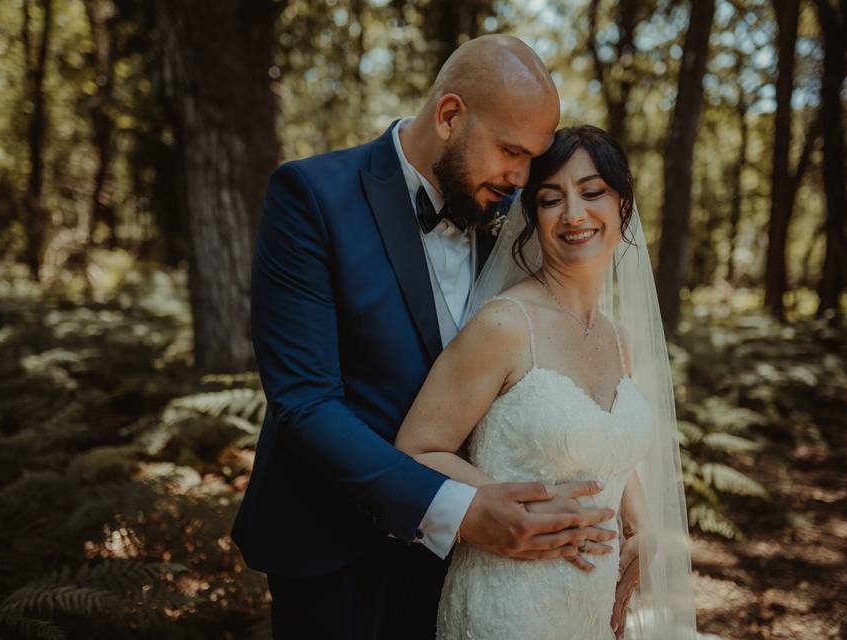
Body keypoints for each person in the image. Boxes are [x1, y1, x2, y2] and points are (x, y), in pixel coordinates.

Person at [231, 36, 619, 639]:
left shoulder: (510, 219)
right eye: (511, 152)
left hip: (481, 574)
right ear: (449, 115)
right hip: (336, 555)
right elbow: (305, 404)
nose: (521, 179)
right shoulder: (311, 198)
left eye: (532, 159)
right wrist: (459, 510)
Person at [395, 125, 698, 639]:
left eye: (592, 192)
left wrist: (642, 523)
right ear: (533, 218)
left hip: (594, 610)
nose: (574, 214)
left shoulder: (617, 338)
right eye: (551, 199)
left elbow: (606, 450)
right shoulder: (505, 326)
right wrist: (516, 505)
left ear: (623, 204)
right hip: (507, 608)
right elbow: (415, 449)